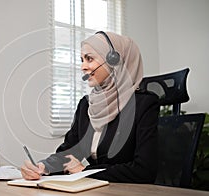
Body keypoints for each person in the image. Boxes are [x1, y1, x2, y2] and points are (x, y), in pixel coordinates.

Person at [21, 31, 159, 183]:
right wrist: (44, 167)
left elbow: (144, 170)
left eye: (89, 59)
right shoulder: (86, 104)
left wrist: (85, 171)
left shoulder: (143, 105)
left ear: (113, 61)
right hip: (96, 190)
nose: (83, 67)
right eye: (82, 60)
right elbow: (70, 152)